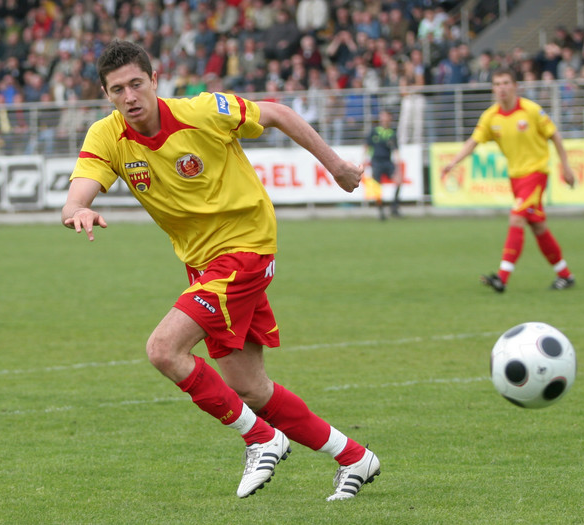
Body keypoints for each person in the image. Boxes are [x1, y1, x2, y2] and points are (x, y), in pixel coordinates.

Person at [61, 40, 380, 501]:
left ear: (154, 81)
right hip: (204, 265)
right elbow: (77, 194)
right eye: (117, 90)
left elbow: (278, 113)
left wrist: (335, 167)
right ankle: (353, 457)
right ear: (106, 95)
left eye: (136, 84)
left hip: (247, 249)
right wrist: (78, 210)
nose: (129, 96)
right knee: (248, 387)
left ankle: (262, 439)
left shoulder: (203, 110)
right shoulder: (107, 136)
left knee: (164, 349)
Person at [440, 67, 577, 293]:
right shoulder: (491, 116)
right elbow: (473, 141)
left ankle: (502, 277)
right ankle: (565, 275)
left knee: (516, 218)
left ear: (515, 86)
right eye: (497, 84)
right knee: (539, 227)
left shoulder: (531, 110)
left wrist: (566, 167)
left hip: (536, 174)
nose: (501, 88)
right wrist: (453, 162)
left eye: (505, 83)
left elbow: (555, 136)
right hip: (516, 178)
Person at [366, 109, 401, 220]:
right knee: (377, 186)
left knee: (398, 181)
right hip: (376, 162)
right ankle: (381, 211)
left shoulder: (392, 133)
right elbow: (367, 146)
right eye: (382, 116)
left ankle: (394, 207)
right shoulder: (374, 131)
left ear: (390, 118)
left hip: (387, 161)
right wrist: (364, 160)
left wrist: (398, 164)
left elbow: (395, 149)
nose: (384, 118)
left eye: (386, 116)